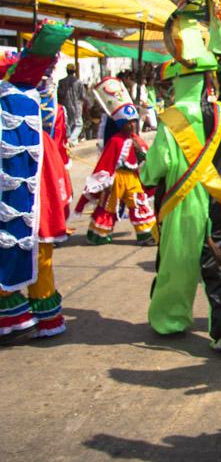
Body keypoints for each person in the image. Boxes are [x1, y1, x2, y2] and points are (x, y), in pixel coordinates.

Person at [141, 0, 221, 354]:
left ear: (176, 80)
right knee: (219, 266)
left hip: (181, 204)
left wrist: (142, 171)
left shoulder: (171, 118)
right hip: (217, 201)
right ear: (205, 78)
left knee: (177, 267)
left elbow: (154, 170)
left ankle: (170, 320)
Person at [0, 22, 74, 343]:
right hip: (39, 199)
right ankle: (43, 318)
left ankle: (21, 316)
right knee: (39, 255)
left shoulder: (16, 105)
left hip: (28, 198)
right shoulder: (38, 107)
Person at [74, 77, 156, 246]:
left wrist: (141, 154)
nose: (132, 127)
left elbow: (146, 158)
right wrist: (105, 181)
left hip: (132, 179)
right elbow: (106, 163)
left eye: (134, 123)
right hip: (116, 179)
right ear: (120, 125)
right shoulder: (115, 141)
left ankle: (146, 234)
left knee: (139, 202)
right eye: (128, 124)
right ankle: (98, 234)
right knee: (108, 206)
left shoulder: (136, 139)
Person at [57, 62, 86, 145]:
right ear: (74, 71)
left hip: (65, 105)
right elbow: (82, 95)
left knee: (68, 123)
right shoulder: (79, 82)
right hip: (77, 105)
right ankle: (71, 139)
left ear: (66, 71)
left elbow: (60, 94)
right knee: (78, 123)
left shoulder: (61, 82)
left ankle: (69, 139)